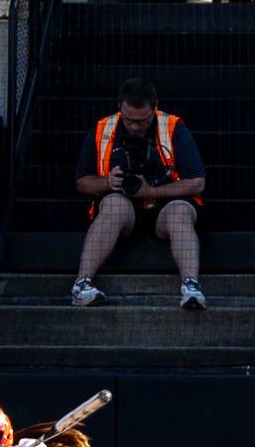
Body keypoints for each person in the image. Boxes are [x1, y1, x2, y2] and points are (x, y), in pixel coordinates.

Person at [69, 81, 208, 310]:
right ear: (119, 108)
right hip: (122, 204)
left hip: (165, 204)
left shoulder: (173, 127)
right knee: (113, 206)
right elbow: (82, 181)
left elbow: (197, 182)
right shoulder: (103, 128)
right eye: (129, 120)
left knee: (181, 212)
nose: (134, 127)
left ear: (154, 108)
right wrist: (108, 183)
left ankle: (191, 287)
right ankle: (82, 284)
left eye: (142, 121)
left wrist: (151, 191)